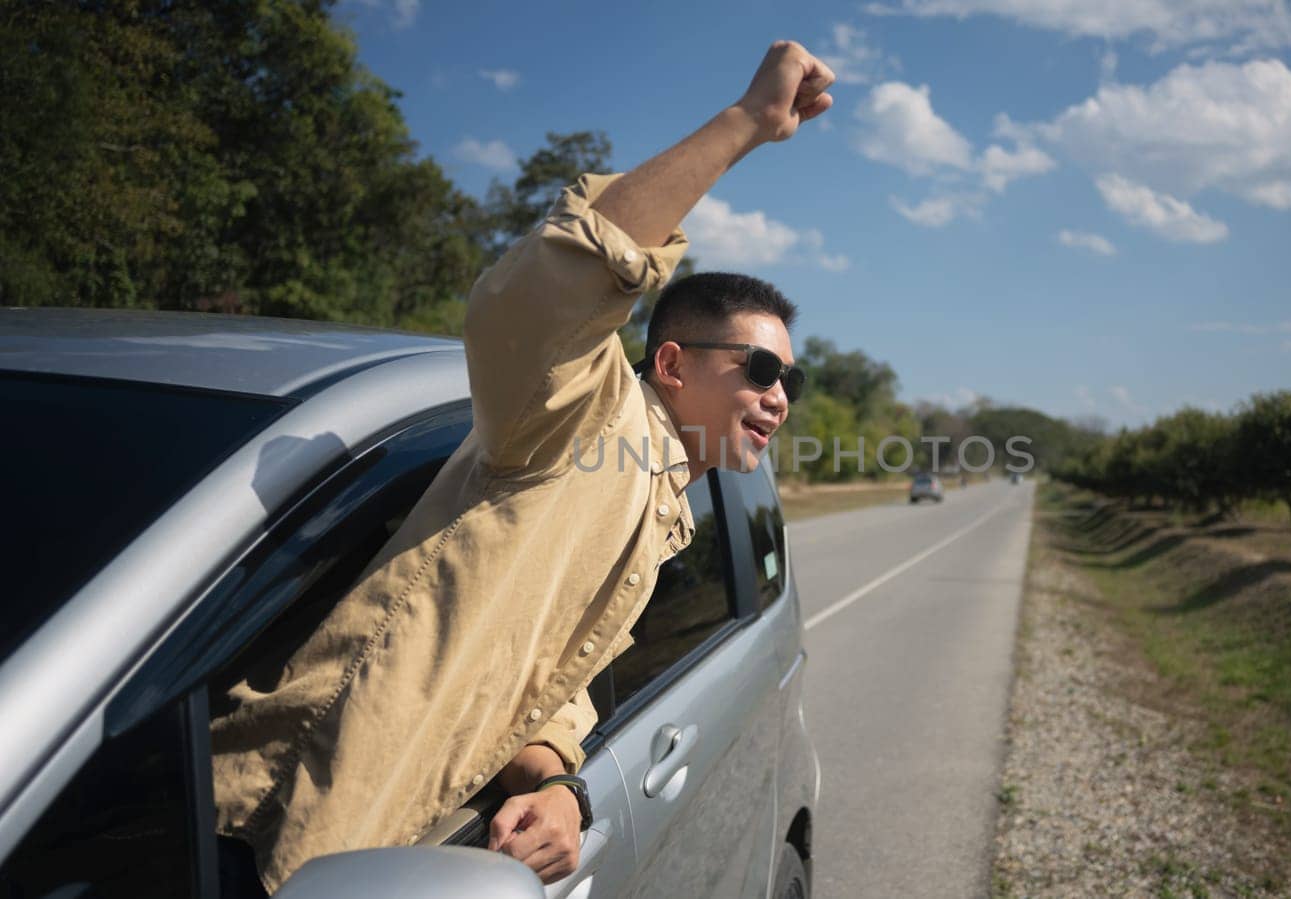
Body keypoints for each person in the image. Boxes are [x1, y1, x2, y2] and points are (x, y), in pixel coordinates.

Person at [209, 40, 834, 894]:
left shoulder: (665, 505)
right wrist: (746, 123)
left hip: (380, 854)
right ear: (675, 365)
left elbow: (540, 679)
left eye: (789, 381)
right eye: (760, 371)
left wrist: (555, 785)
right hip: (262, 838)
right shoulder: (581, 415)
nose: (779, 397)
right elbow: (560, 279)